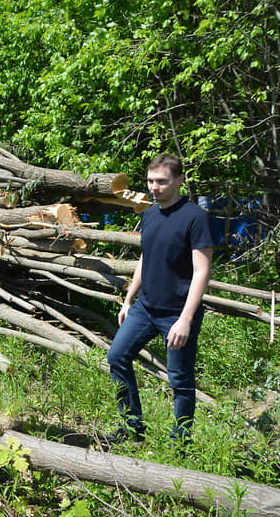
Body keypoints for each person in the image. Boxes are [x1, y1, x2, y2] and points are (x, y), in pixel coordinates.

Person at [104, 154, 213, 448]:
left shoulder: (195, 217)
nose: (155, 187)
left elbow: (202, 271)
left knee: (179, 380)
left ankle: (180, 443)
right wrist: (129, 300)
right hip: (145, 308)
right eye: (151, 181)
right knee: (117, 357)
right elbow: (145, 257)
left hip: (177, 314)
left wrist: (186, 319)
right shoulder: (150, 214)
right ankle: (131, 427)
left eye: (162, 181)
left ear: (179, 180)